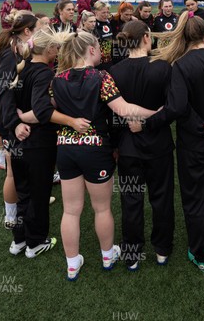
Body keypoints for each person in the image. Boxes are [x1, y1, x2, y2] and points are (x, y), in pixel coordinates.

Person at [52, 31, 159, 280]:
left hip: (65, 148)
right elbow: (123, 109)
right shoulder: (101, 77)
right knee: (101, 209)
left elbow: (46, 111)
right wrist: (158, 112)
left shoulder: (57, 79)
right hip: (95, 149)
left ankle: (72, 263)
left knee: (70, 210)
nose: (103, 51)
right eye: (99, 47)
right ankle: (107, 255)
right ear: (90, 50)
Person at [151, 12, 204, 273]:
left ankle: (201, 254)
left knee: (195, 199)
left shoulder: (181, 65)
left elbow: (177, 108)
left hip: (195, 145)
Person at [2, 29, 92, 259]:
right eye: (56, 48)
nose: (58, 51)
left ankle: (19, 241)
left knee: (24, 194)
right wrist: (25, 119)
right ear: (50, 50)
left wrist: (15, 123)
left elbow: (6, 102)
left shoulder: (21, 69)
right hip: (38, 144)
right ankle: (36, 242)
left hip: (17, 142)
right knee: (39, 194)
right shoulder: (43, 73)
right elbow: (42, 110)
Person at [109, 21, 174, 270]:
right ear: (147, 37)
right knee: (162, 198)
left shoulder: (115, 71)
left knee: (131, 200)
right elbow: (171, 109)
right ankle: (162, 248)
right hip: (158, 145)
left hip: (128, 147)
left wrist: (115, 144)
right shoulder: (163, 67)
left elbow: (112, 117)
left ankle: (132, 253)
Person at [0, 13, 38, 230]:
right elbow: (4, 91)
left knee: (17, 170)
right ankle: (15, 220)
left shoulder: (16, 49)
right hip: (9, 122)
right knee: (13, 171)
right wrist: (14, 122)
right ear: (27, 31)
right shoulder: (11, 54)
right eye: (39, 29)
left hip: (9, 119)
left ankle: (18, 218)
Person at [93, 1, 113, 70]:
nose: (106, 15)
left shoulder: (109, 22)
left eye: (107, 12)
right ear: (96, 12)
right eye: (103, 12)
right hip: (97, 63)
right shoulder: (93, 24)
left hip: (109, 61)